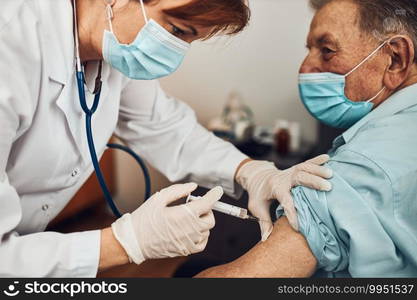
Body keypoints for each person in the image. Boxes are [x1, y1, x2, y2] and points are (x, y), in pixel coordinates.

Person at [0, 0, 332, 277]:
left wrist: (250, 171)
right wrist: (126, 242)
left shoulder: (111, 46)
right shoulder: (10, 44)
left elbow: (165, 127)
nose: (174, 54)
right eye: (176, 30)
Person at [196, 0, 417, 278]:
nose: (305, 67)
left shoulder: (361, 168)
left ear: (395, 59)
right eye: (309, 51)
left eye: (326, 51)